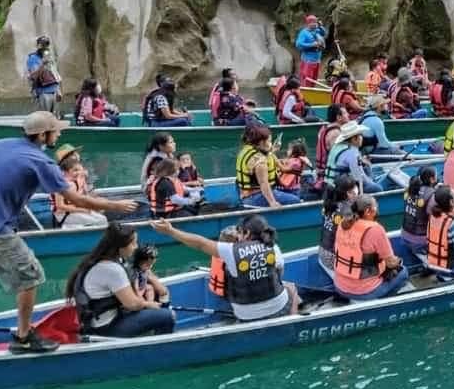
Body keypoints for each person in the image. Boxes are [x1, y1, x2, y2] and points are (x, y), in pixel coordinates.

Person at [0, 113, 139, 352]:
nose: (60, 133)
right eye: (56, 130)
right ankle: (24, 338)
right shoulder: (41, 161)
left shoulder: (3, 144)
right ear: (42, 135)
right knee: (31, 277)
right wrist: (115, 206)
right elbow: (76, 199)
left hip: (3, 223)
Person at [153, 214, 298, 319]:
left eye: (239, 232)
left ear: (246, 233)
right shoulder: (274, 248)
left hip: (244, 313)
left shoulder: (230, 250)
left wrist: (171, 231)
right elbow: (279, 276)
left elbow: (200, 243)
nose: (237, 236)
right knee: (291, 287)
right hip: (277, 306)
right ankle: (292, 321)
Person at [66, 223, 175, 338]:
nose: (136, 246)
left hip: (97, 321)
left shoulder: (99, 261)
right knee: (168, 315)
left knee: (156, 298)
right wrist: (149, 304)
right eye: (133, 243)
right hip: (107, 328)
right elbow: (132, 304)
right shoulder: (112, 269)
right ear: (120, 246)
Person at [332, 195, 408, 300]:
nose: (377, 209)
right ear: (368, 211)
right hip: (364, 292)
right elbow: (391, 262)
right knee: (403, 272)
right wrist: (398, 261)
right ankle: (384, 301)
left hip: (339, 286)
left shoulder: (343, 224)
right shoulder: (375, 229)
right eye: (376, 207)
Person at [236, 124, 301, 207]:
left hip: (244, 194)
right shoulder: (261, 162)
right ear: (261, 142)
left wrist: (272, 150)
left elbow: (263, 155)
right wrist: (272, 202)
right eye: (269, 141)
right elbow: (264, 184)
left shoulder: (246, 150)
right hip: (255, 197)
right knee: (296, 200)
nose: (271, 143)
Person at [51, 149, 108, 228]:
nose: (77, 155)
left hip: (74, 208)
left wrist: (92, 204)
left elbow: (84, 193)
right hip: (65, 213)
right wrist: (84, 209)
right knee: (100, 219)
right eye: (73, 154)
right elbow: (60, 206)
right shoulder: (61, 181)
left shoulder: (77, 176)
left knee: (101, 213)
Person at [325, 120, 384, 194]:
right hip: (340, 189)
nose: (362, 138)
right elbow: (358, 177)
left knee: (366, 168)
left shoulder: (338, 146)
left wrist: (362, 163)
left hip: (330, 184)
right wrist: (373, 183)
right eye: (361, 135)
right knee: (378, 188)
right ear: (354, 139)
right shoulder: (352, 152)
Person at [318, 175, 359, 278]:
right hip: (333, 259)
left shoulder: (329, 204)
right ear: (348, 193)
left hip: (322, 252)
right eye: (353, 188)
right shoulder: (348, 211)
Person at [400, 166, 438, 252]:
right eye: (436, 176)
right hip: (419, 242)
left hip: (404, 235)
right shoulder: (432, 195)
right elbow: (435, 217)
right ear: (432, 179)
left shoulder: (410, 189)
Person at [25, 36, 62, 113]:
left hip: (54, 92)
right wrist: (43, 64)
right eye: (43, 44)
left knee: (54, 119)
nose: (45, 46)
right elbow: (34, 76)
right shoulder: (33, 58)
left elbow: (55, 74)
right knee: (44, 119)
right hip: (43, 92)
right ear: (38, 45)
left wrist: (58, 91)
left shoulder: (49, 57)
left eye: (46, 44)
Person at [295, 14, 327, 84]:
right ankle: (305, 90)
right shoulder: (304, 33)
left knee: (314, 78)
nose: (315, 24)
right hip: (308, 60)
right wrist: (311, 45)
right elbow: (298, 44)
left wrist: (321, 26)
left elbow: (324, 33)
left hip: (317, 60)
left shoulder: (317, 30)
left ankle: (312, 91)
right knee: (307, 78)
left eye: (316, 22)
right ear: (308, 23)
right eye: (313, 22)